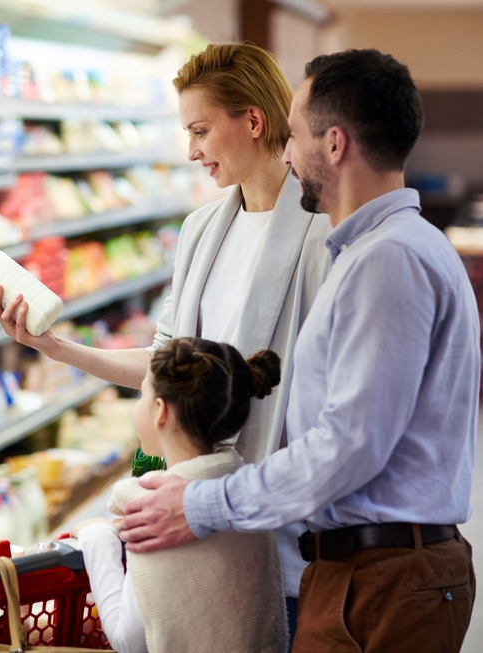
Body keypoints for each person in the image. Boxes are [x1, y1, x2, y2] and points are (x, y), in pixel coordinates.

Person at [118, 49, 479, 652]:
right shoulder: (372, 251)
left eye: (297, 135)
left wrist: (205, 503)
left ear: (334, 144)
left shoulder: (387, 260)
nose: (286, 153)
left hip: (384, 577)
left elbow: (350, 444)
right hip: (362, 571)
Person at [0, 42, 330, 624]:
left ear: (255, 121)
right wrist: (51, 346)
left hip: (282, 534)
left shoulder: (323, 232)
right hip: (186, 516)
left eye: (200, 130)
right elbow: (165, 365)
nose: (191, 152)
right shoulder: (201, 230)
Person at [71, 338, 288, 653]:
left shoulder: (155, 511)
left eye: (141, 394)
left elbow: (129, 641)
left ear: (160, 411)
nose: (137, 404)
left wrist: (97, 536)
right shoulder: (243, 493)